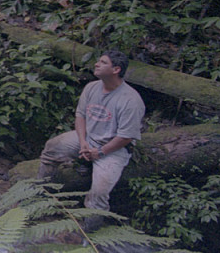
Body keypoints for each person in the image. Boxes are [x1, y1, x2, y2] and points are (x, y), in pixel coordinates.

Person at [37, 50, 145, 230]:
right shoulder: (92, 87)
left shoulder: (131, 100)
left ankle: (91, 236)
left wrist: (100, 152)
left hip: (113, 150)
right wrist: (83, 141)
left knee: (98, 195)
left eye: (103, 62)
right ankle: (39, 192)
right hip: (88, 139)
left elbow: (125, 136)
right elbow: (80, 116)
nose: (96, 64)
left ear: (116, 69)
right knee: (52, 148)